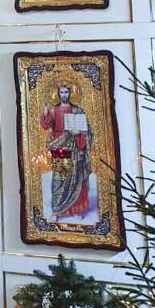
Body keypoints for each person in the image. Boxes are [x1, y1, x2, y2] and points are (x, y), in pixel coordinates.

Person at [39, 84, 92, 221]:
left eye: (66, 92)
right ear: (58, 93)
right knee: (60, 178)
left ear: (70, 93)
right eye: (61, 92)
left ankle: (75, 209)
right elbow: (46, 125)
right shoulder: (54, 110)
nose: (64, 95)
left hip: (75, 147)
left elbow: (87, 130)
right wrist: (45, 112)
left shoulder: (77, 110)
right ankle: (57, 210)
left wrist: (79, 133)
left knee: (76, 178)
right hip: (61, 146)